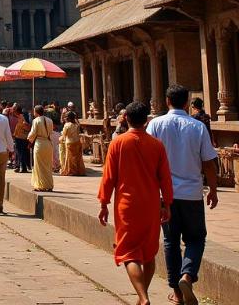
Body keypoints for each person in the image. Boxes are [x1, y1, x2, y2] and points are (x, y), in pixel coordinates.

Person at [147, 84, 219, 305]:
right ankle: (187, 276)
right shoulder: (197, 127)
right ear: (187, 102)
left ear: (167, 101)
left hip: (164, 195)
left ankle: (177, 293)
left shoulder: (155, 125)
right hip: (192, 193)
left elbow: (148, 161)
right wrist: (213, 191)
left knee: (170, 241)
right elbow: (208, 163)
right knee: (196, 238)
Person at [98, 101, 174, 305]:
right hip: (150, 204)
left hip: (127, 205)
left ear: (126, 119)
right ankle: (143, 295)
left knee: (129, 252)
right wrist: (167, 204)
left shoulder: (118, 143)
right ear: (147, 120)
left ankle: (143, 296)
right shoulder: (156, 145)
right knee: (149, 253)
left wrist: (104, 202)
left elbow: (109, 177)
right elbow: (165, 177)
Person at [28, 104, 54, 192]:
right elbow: (51, 132)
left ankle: (40, 185)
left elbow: (32, 133)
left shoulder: (36, 121)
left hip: (39, 144)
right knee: (48, 165)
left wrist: (28, 139)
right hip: (48, 143)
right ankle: (49, 185)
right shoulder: (50, 120)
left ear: (36, 112)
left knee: (39, 166)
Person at [60, 111, 86, 176]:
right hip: (77, 142)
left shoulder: (67, 125)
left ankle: (70, 171)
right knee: (78, 158)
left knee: (69, 159)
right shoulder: (76, 125)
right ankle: (79, 171)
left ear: (68, 118)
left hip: (70, 143)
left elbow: (64, 134)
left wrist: (60, 139)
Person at [13, 105, 31, 173]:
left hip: (20, 137)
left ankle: (23, 167)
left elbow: (20, 127)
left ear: (16, 111)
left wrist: (14, 134)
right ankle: (23, 167)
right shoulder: (23, 116)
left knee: (21, 153)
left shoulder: (21, 117)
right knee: (23, 153)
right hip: (24, 137)